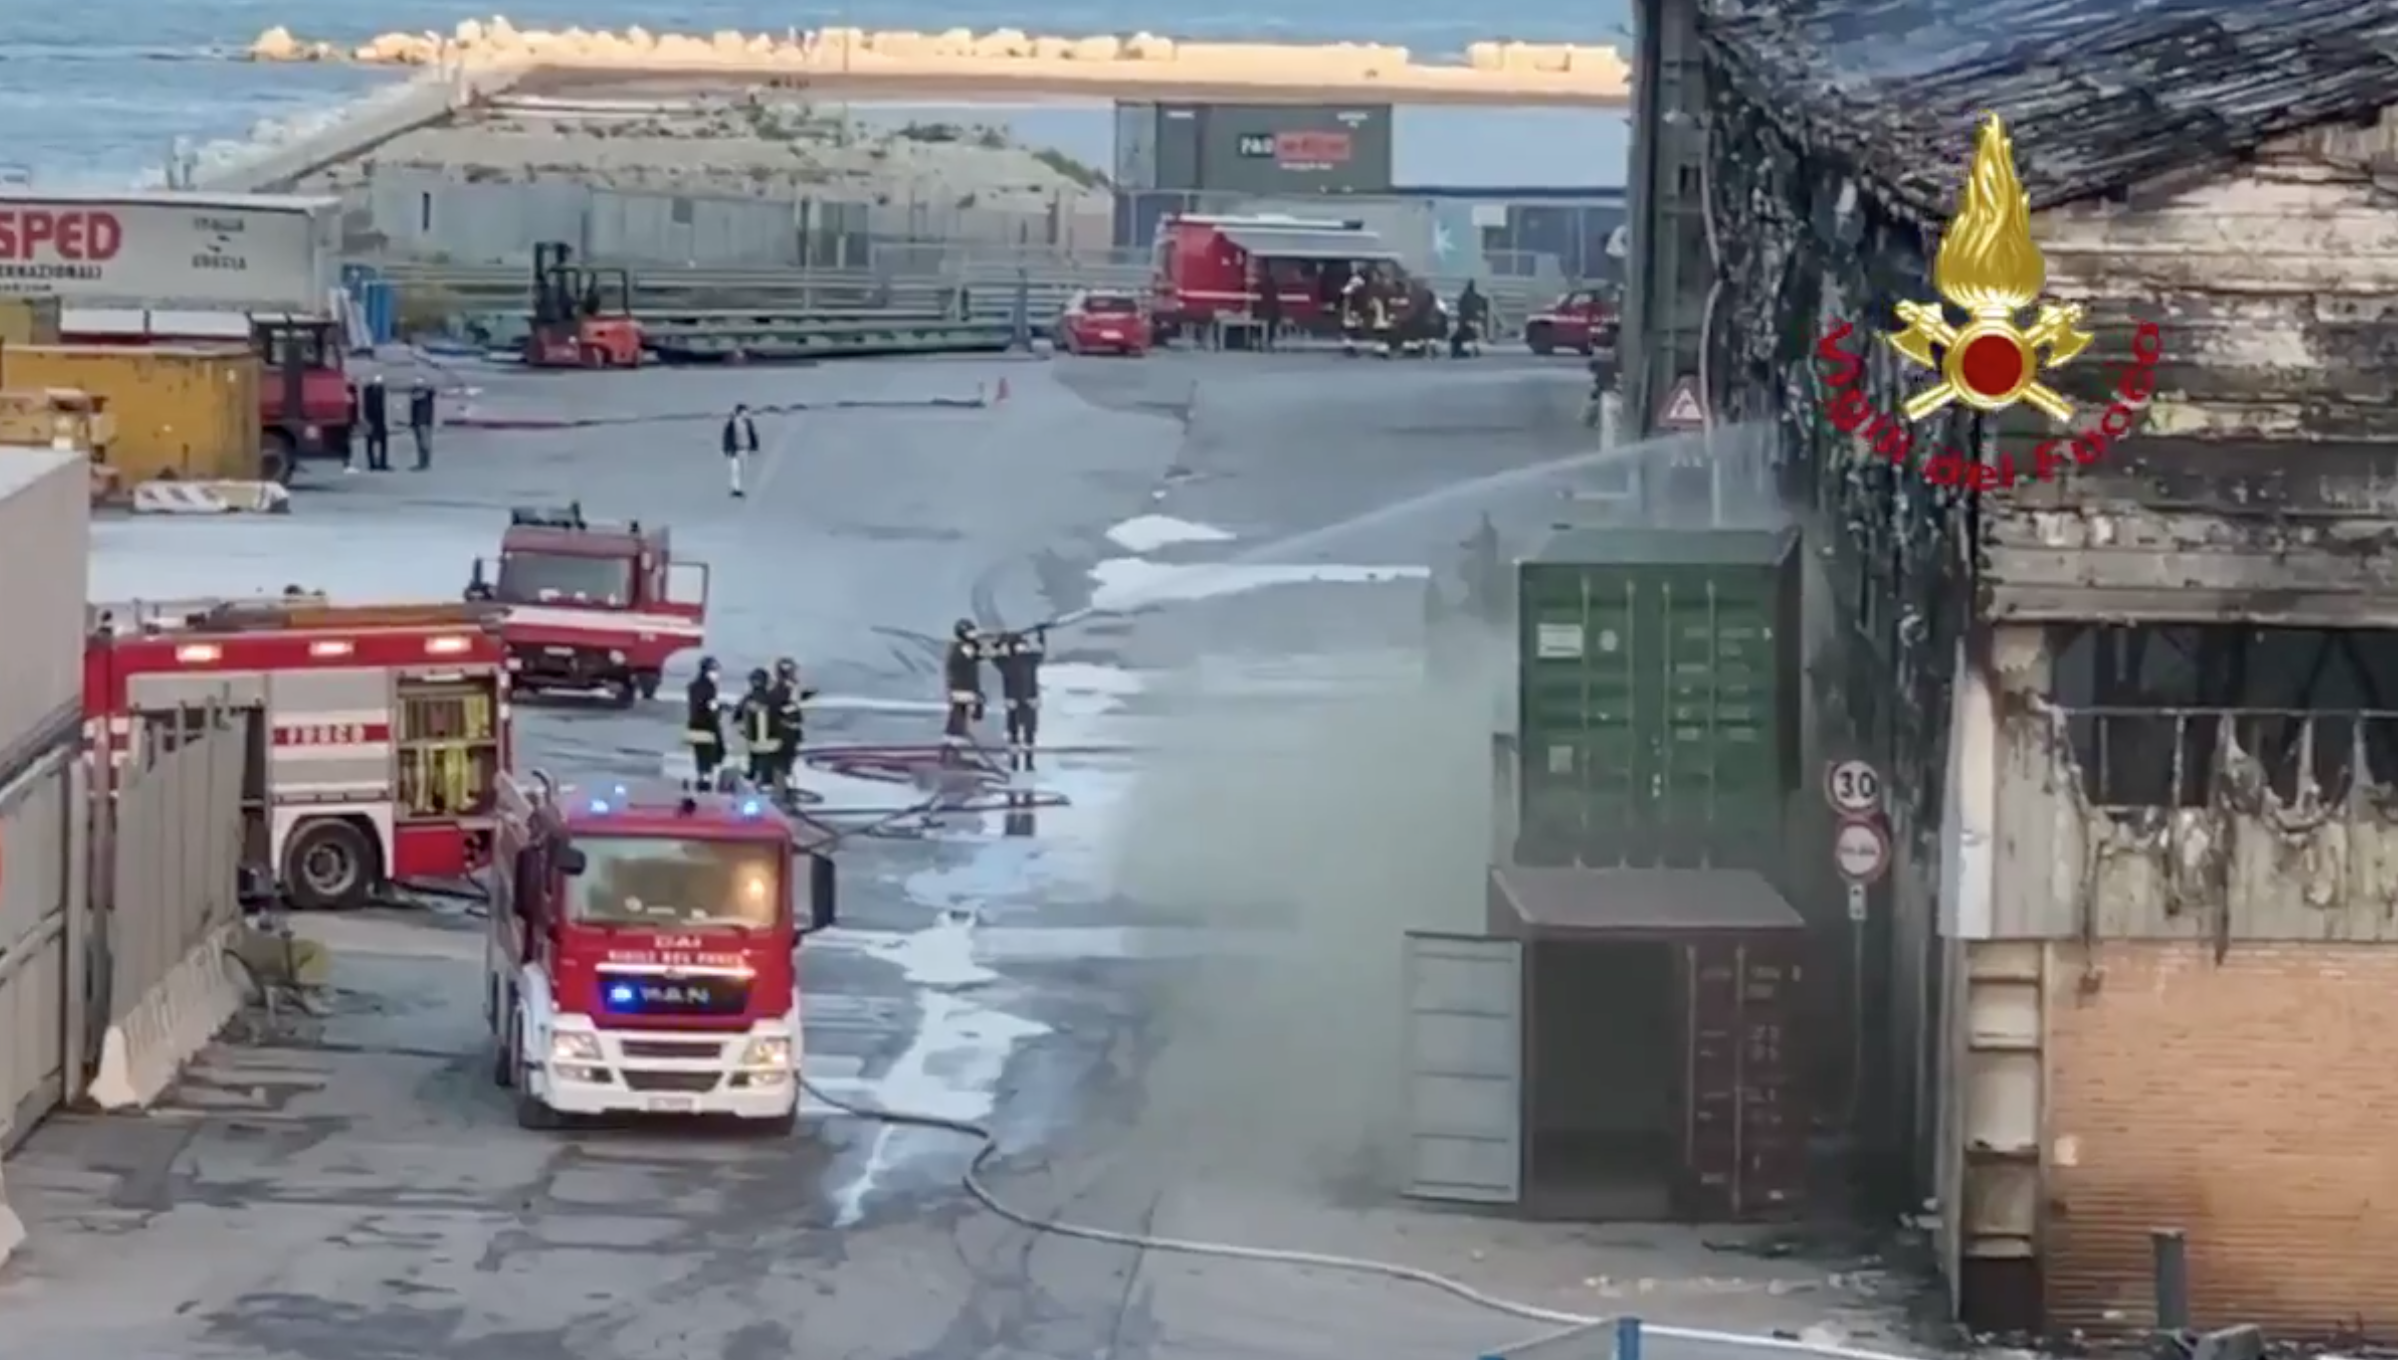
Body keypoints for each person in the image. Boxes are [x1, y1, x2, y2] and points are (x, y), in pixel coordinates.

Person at [992, 626, 1045, 773]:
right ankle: (1015, 762)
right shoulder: (1006, 661)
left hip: (1027, 700)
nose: (1022, 647)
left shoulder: (1030, 659)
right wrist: (1000, 641)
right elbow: (994, 655)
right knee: (1014, 733)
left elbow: (1041, 652)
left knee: (1029, 733)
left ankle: (1028, 762)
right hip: (1015, 701)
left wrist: (1041, 635)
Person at [765, 657, 817, 800]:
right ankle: (779, 794)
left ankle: (781, 791)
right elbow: (778, 709)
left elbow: (793, 701)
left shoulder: (790, 688)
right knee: (780, 764)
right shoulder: (778, 691)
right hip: (784, 733)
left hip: (790, 732)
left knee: (785, 764)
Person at [942, 618, 989, 749]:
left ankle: (952, 739)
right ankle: (955, 739)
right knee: (960, 711)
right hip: (961, 685)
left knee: (960, 710)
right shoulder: (963, 647)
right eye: (970, 632)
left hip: (961, 685)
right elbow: (979, 655)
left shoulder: (962, 647)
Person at [684, 657, 726, 786]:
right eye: (714, 670)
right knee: (708, 753)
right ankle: (705, 779)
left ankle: (702, 776)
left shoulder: (693, 686)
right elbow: (710, 708)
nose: (716, 674)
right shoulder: (710, 688)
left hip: (693, 725)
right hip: (707, 726)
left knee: (700, 753)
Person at [735, 667, 781, 787]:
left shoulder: (747, 699)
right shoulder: (774, 698)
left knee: (755, 762)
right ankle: (766, 783)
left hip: (754, 740)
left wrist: (742, 730)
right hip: (771, 740)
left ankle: (753, 778)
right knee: (768, 764)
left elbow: (736, 717)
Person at [721, 403, 760, 499]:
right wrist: (727, 449)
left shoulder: (748, 423)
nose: (746, 414)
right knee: (736, 470)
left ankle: (741, 487)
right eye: (745, 412)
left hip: (745, 449)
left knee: (743, 470)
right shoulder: (732, 423)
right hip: (736, 449)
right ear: (740, 413)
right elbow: (727, 437)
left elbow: (752, 434)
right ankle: (736, 489)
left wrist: (754, 446)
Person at [360, 375, 390, 472]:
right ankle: (375, 463)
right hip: (372, 419)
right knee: (372, 442)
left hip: (377, 419)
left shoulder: (378, 390)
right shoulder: (370, 391)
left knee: (378, 442)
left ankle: (379, 463)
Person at [1453, 281, 1489, 359]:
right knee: (1469, 335)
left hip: (1465, 322)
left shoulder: (1464, 297)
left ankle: (1457, 351)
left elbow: (1460, 307)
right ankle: (1470, 350)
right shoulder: (1478, 298)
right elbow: (1485, 306)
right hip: (1474, 320)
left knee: (1457, 337)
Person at [407, 379, 436, 470]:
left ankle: (424, 462)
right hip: (421, 422)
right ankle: (423, 462)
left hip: (423, 422)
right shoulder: (420, 401)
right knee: (421, 444)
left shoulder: (424, 400)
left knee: (424, 443)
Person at [1255, 266, 1283, 351]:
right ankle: (1267, 341)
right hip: (1271, 314)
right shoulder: (1273, 286)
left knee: (1267, 321)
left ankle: (1261, 340)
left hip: (1265, 313)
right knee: (1271, 322)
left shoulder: (1260, 286)